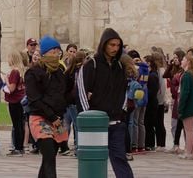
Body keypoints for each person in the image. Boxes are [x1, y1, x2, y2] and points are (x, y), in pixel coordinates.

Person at [78, 28, 134, 178]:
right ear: (104, 44)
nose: (115, 48)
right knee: (93, 160)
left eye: (117, 45)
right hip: (96, 124)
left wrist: (122, 113)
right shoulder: (91, 65)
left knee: (119, 158)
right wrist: (89, 117)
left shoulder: (120, 67)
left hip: (116, 122)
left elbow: (124, 92)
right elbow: (82, 91)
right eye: (111, 45)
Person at [25, 36, 71, 178]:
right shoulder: (33, 73)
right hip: (41, 117)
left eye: (58, 51)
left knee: (49, 158)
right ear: (45, 53)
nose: (57, 54)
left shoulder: (60, 73)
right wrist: (51, 116)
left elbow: (65, 95)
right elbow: (34, 99)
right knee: (49, 153)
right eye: (54, 51)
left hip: (57, 119)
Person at [5, 50, 27, 156]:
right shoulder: (21, 70)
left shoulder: (14, 72)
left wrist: (6, 81)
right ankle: (20, 147)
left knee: (16, 124)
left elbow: (12, 88)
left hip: (14, 100)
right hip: (21, 99)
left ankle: (18, 147)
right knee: (20, 124)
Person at [163, 50, 184, 154]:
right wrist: (170, 65)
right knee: (174, 123)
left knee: (181, 124)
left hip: (179, 98)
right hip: (174, 98)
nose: (175, 59)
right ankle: (175, 144)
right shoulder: (173, 69)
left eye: (176, 57)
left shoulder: (183, 70)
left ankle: (182, 145)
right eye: (174, 57)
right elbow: (165, 75)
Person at [142, 55, 160, 151]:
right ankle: (149, 143)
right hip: (151, 102)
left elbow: (152, 91)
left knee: (149, 124)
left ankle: (150, 143)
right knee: (148, 123)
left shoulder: (152, 75)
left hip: (151, 103)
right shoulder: (152, 74)